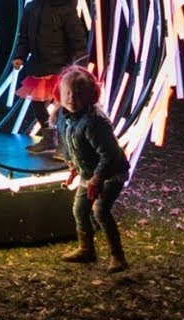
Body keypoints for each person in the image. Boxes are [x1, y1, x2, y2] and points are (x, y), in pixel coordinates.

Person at [57, 65, 130, 273]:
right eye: (67, 93)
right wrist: (71, 165)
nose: (71, 98)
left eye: (78, 94)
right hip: (87, 173)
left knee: (100, 211)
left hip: (110, 174)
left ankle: (118, 256)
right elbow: (68, 143)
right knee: (79, 209)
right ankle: (86, 250)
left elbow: (109, 155)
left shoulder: (96, 122)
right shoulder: (64, 116)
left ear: (91, 96)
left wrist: (97, 179)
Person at [13, 0, 87, 154]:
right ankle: (49, 138)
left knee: (63, 108)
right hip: (38, 66)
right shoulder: (31, 8)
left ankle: (65, 145)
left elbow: (76, 37)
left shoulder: (66, 9)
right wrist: (19, 56)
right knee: (38, 106)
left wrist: (79, 62)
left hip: (60, 68)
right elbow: (24, 37)